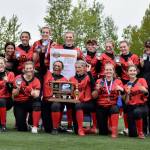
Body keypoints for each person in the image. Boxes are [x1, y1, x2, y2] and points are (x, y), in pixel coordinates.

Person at [92, 63, 124, 138]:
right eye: (107, 70)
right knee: (103, 132)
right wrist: (97, 89)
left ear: (113, 71)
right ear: (104, 71)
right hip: (102, 105)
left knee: (115, 108)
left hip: (113, 105)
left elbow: (123, 96)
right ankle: (107, 128)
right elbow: (94, 96)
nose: (108, 71)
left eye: (110, 70)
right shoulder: (99, 81)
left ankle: (114, 131)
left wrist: (121, 89)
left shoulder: (118, 81)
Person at [116, 40, 140, 135]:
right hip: (123, 82)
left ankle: (138, 128)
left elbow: (138, 71)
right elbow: (118, 72)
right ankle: (126, 128)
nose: (123, 49)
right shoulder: (119, 58)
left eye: (124, 46)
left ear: (128, 46)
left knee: (134, 104)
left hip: (134, 81)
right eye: (121, 47)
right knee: (125, 105)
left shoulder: (134, 56)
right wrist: (117, 66)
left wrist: (130, 65)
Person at [12, 61, 41, 133]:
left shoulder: (36, 80)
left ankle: (34, 126)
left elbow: (37, 95)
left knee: (37, 104)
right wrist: (18, 88)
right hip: (19, 102)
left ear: (33, 69)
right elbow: (14, 94)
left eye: (30, 68)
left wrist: (32, 91)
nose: (29, 70)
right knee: (21, 128)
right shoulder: (18, 78)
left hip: (30, 102)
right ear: (24, 69)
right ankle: (25, 124)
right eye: (27, 68)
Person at [69, 60, 96, 136]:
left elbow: (93, 86)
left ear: (84, 68)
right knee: (75, 131)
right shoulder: (71, 79)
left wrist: (89, 72)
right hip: (76, 102)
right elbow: (70, 92)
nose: (77, 69)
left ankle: (83, 129)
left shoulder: (88, 77)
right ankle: (81, 129)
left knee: (79, 105)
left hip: (88, 102)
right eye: (76, 67)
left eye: (80, 67)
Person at [42, 60, 68, 134]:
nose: (56, 67)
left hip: (58, 102)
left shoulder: (65, 80)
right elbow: (42, 64)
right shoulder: (46, 74)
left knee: (55, 105)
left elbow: (66, 95)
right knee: (47, 129)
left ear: (62, 68)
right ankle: (53, 127)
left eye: (59, 66)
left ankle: (55, 128)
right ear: (52, 67)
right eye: (55, 65)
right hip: (46, 101)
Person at [124, 65, 148, 139]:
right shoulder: (126, 85)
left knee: (137, 112)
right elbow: (126, 102)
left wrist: (144, 90)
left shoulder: (141, 80)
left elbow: (147, 93)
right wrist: (127, 94)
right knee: (132, 134)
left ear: (136, 72)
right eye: (130, 71)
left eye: (134, 70)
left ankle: (141, 132)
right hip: (131, 107)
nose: (132, 72)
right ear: (127, 73)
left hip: (142, 106)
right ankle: (133, 130)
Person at [0, 57, 15, 131]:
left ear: (5, 64)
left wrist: (8, 82)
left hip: (7, 100)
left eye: (1, 63)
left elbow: (11, 90)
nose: (0, 65)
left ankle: (3, 125)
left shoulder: (10, 74)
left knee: (1, 101)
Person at [139, 40, 150, 135]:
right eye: (147, 46)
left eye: (149, 47)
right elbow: (138, 72)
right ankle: (144, 129)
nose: (148, 48)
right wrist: (141, 64)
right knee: (144, 107)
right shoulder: (142, 57)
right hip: (145, 85)